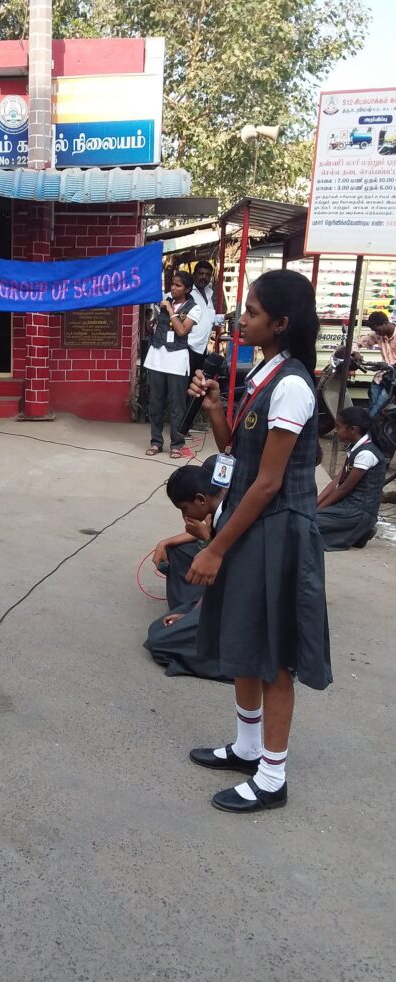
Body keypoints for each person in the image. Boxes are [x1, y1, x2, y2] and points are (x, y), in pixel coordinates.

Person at [185, 269, 331, 813]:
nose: (240, 318)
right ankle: (247, 747)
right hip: (250, 523)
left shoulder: (291, 383)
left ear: (281, 323)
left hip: (278, 531)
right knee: (246, 640)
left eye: (251, 311)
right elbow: (235, 455)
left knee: (274, 657)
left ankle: (273, 777)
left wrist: (216, 546)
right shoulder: (261, 373)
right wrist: (217, 411)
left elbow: (269, 482)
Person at [145, 458, 231, 683]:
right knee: (179, 552)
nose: (185, 516)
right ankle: (192, 613)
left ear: (201, 499)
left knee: (159, 640)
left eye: (185, 509)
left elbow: (228, 576)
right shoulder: (219, 506)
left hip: (240, 605)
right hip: (223, 591)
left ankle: (243, 666)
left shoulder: (231, 517)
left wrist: (193, 612)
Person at [144, 270, 202, 459]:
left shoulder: (194, 308)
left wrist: (170, 311)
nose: (173, 288)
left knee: (177, 405)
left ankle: (177, 444)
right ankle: (156, 442)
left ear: (186, 289)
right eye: (172, 284)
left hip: (177, 360)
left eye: (178, 286)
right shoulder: (161, 300)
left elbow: (182, 331)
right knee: (155, 403)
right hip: (157, 357)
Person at [316, 406, 387, 550]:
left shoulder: (366, 454)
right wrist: (316, 504)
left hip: (358, 511)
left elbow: (344, 488)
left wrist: (317, 510)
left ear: (353, 430)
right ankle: (359, 533)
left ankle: (361, 530)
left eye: (338, 427)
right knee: (306, 518)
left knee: (308, 525)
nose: (335, 431)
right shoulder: (354, 448)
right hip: (348, 507)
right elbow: (336, 481)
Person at [361, 311, 396, 417]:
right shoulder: (378, 335)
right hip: (381, 377)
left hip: (393, 381)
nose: (376, 333)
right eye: (374, 331)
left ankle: (371, 429)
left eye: (377, 329)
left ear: (385, 323)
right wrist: (355, 352)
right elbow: (358, 342)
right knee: (373, 407)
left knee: (375, 411)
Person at [187, 261, 216, 375]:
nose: (204, 277)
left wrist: (225, 316)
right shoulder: (188, 293)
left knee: (196, 383)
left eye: (207, 275)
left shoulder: (209, 293)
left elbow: (208, 318)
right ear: (194, 274)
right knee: (186, 383)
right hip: (189, 346)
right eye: (201, 273)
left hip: (202, 347)